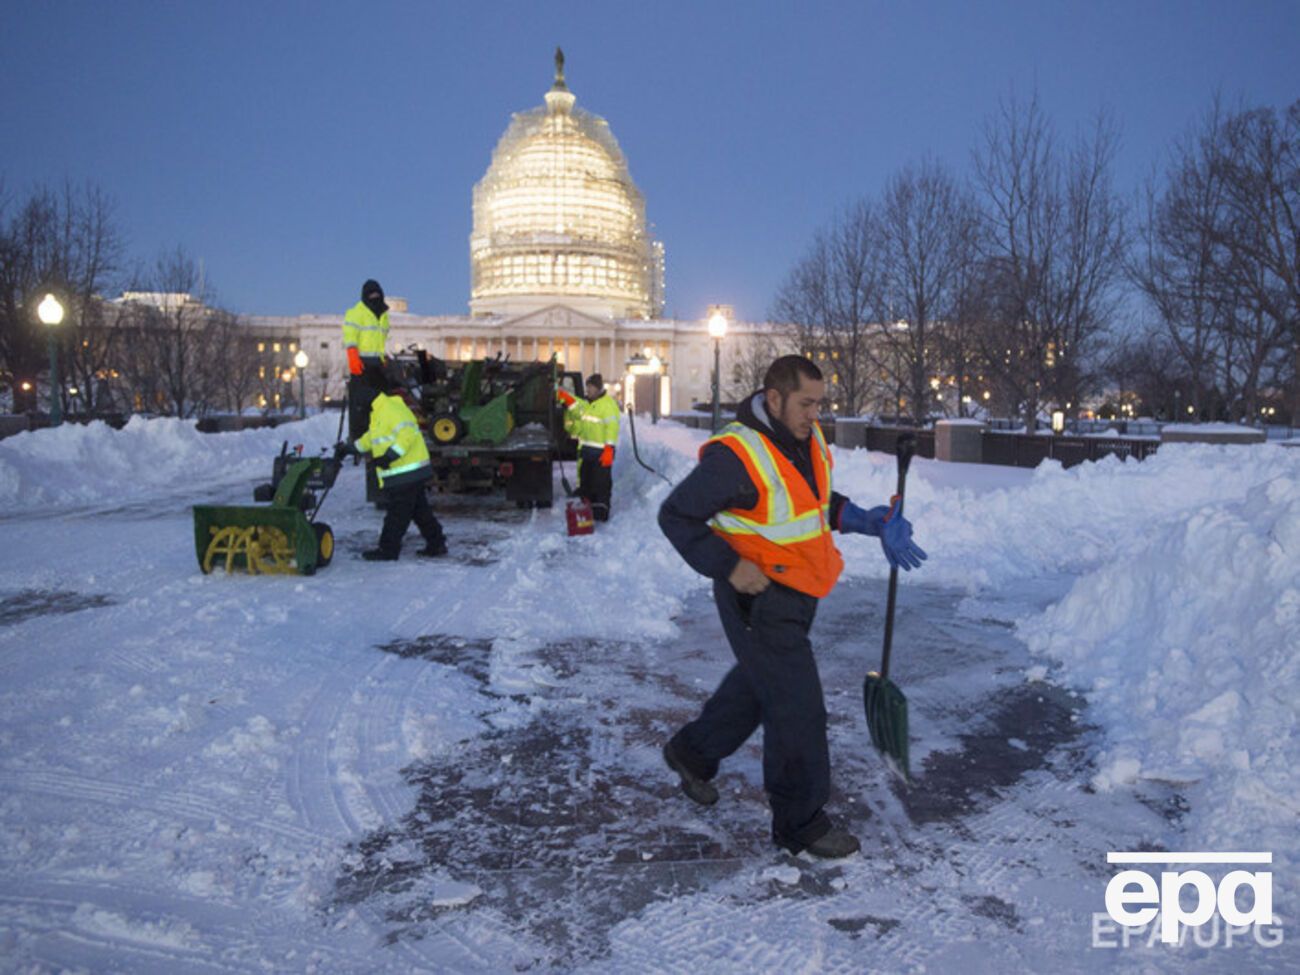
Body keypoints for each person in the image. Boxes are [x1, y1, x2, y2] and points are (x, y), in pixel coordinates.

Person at [657, 355, 927, 859]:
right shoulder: (736, 456)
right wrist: (727, 565)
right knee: (799, 708)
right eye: (806, 403)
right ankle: (799, 821)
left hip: (797, 591)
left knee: (762, 687)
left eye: (820, 404)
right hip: (755, 598)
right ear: (774, 398)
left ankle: (691, 753)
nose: (814, 414)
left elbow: (810, 502)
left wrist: (863, 519)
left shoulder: (802, 440)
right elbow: (676, 515)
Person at [335, 389, 448, 561]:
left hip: (406, 471)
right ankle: (436, 543)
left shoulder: (391, 409)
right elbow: (371, 438)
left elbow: (407, 435)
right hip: (410, 472)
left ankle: (388, 550)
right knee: (419, 511)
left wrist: (390, 456)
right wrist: (350, 449)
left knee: (397, 514)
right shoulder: (379, 412)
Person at [557, 373, 620, 521]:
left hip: (602, 452)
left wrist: (609, 448)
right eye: (587, 387)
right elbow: (574, 404)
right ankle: (588, 510)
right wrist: (560, 393)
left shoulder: (608, 405)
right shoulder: (588, 404)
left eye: (590, 387)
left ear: (598, 388)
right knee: (586, 483)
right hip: (587, 453)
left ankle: (600, 513)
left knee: (601, 484)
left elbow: (612, 428)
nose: (588, 390)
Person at [343, 279, 391, 443]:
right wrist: (353, 357)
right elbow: (350, 337)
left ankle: (379, 435)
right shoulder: (356, 312)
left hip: (377, 365)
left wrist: (383, 359)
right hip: (361, 365)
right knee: (360, 406)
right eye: (371, 294)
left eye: (377, 294)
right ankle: (359, 440)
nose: (375, 297)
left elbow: (380, 340)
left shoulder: (384, 315)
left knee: (381, 402)